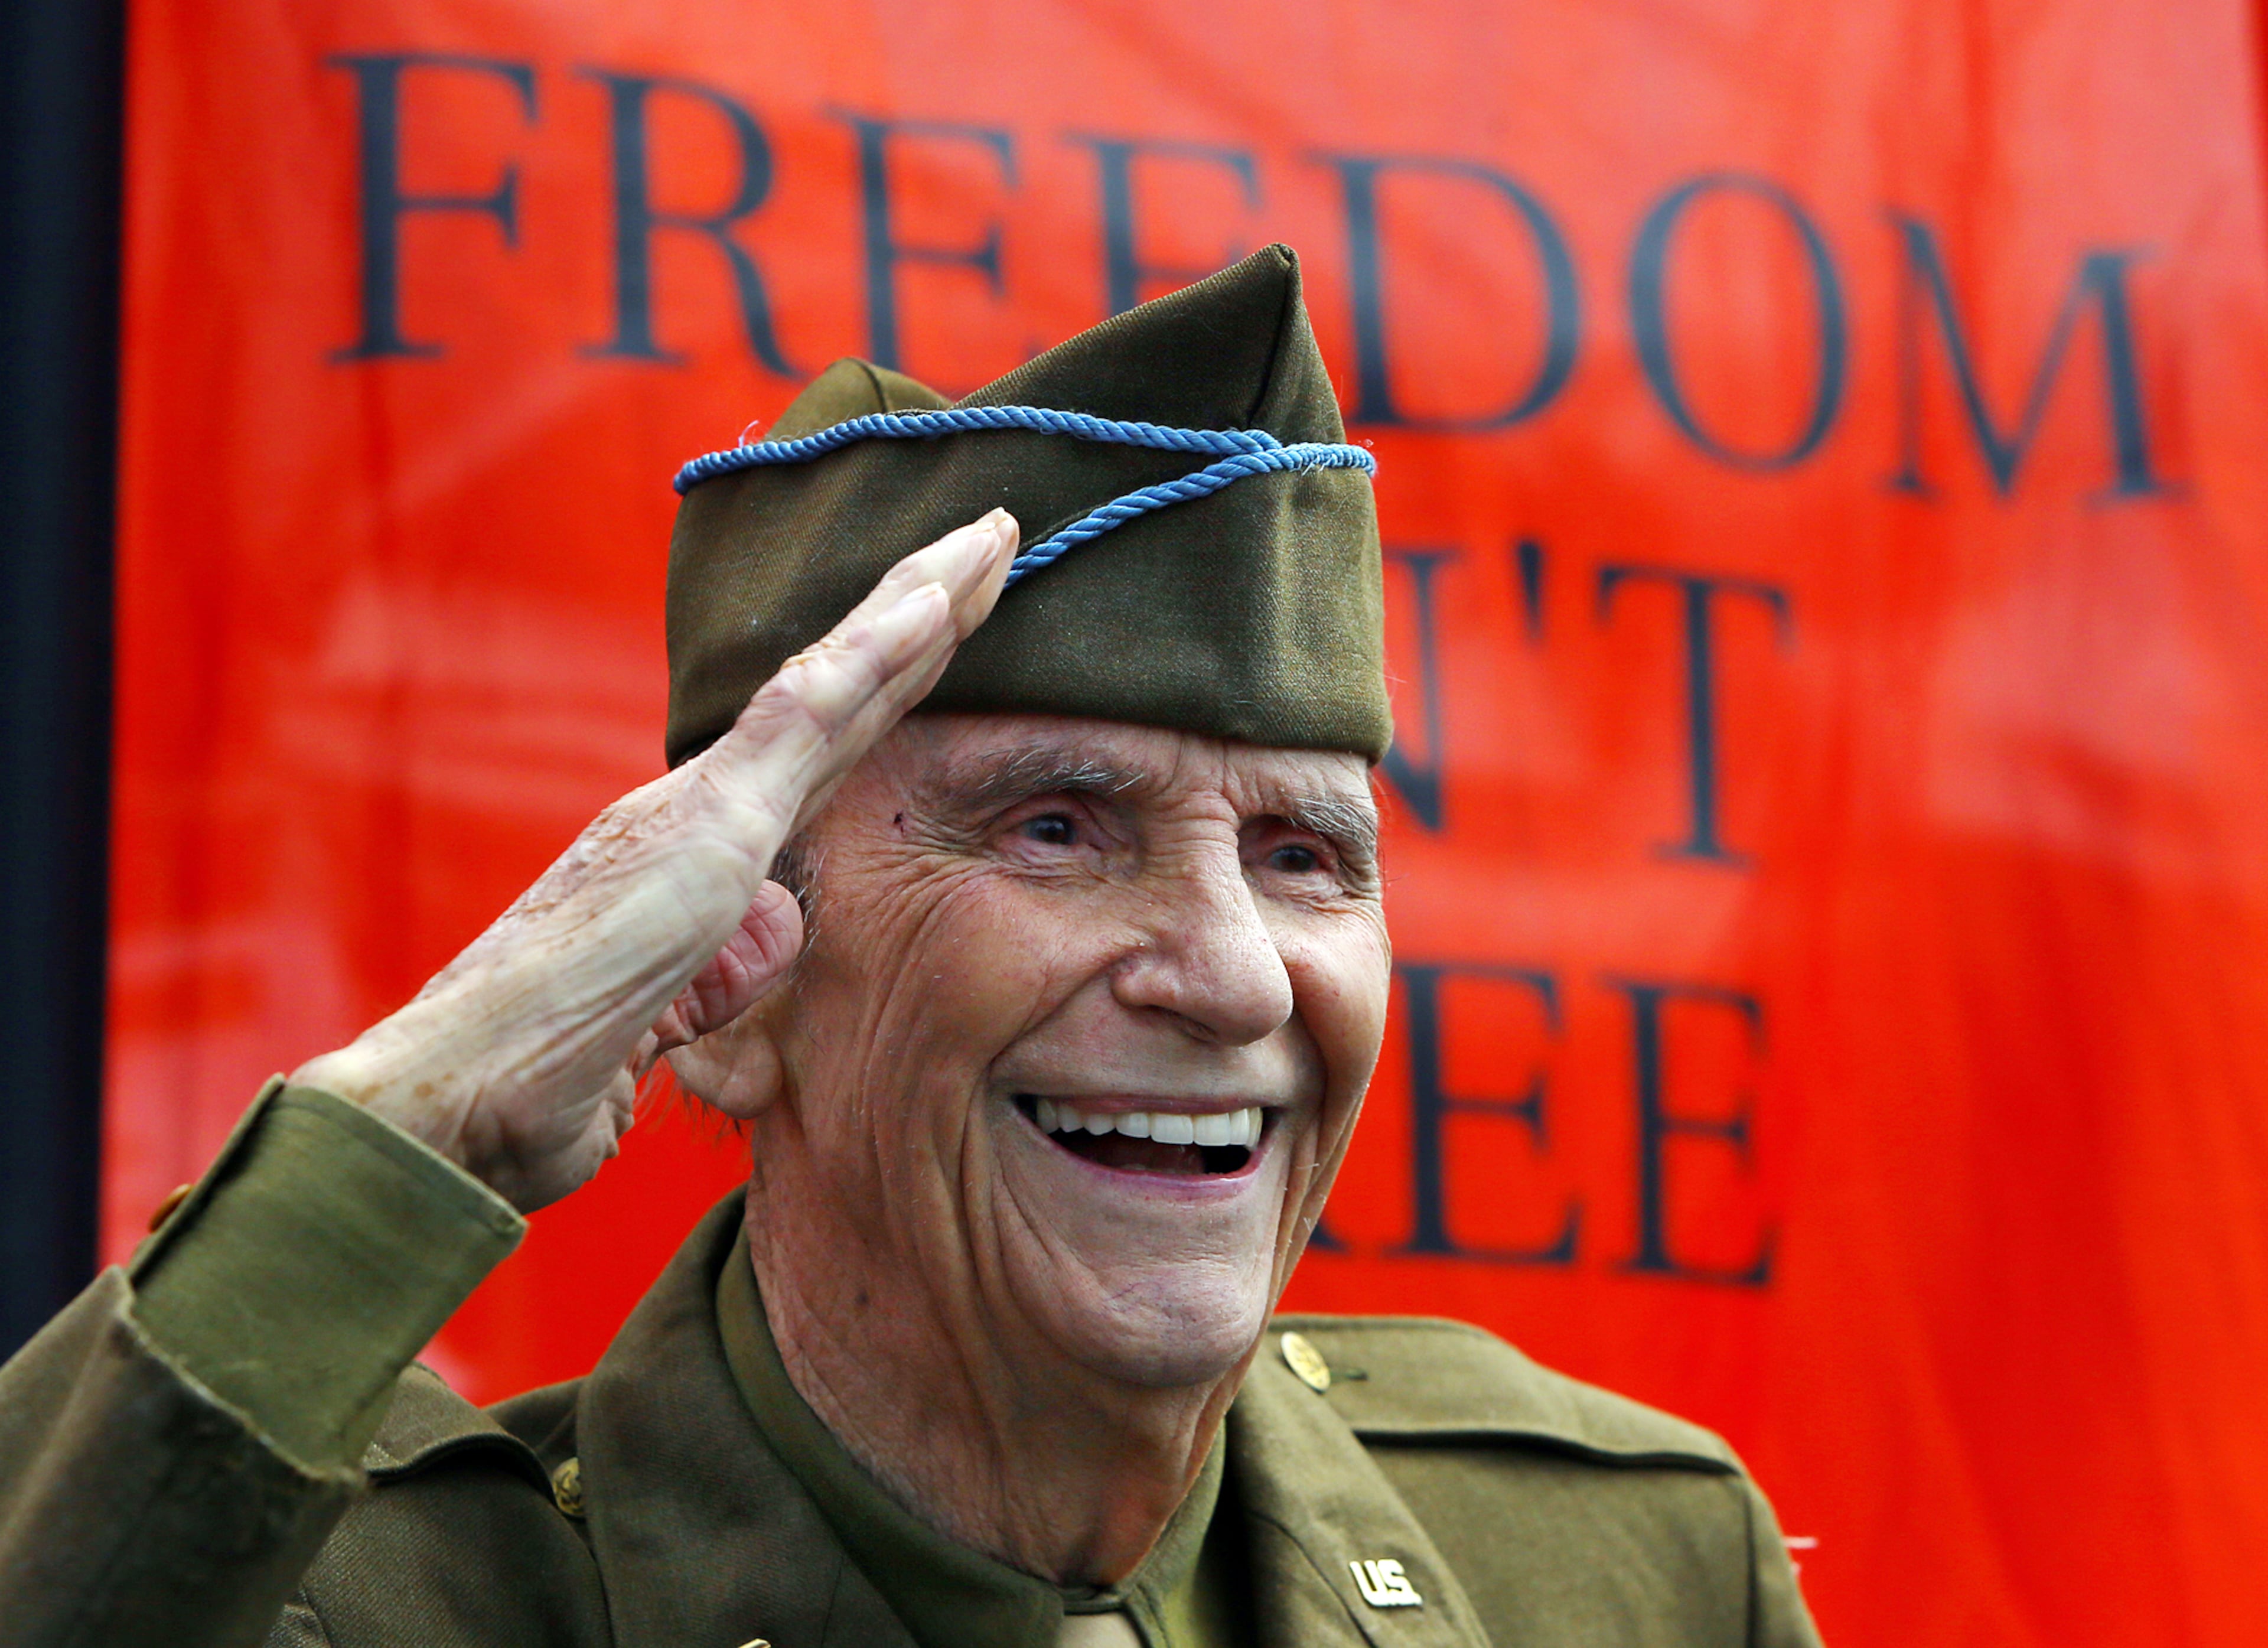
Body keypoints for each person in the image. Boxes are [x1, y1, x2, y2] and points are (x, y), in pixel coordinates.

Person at [0, 247, 1822, 1648]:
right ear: (732, 986)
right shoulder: (366, 1596)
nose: (1239, 974)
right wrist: (419, 1117)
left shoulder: (1626, 1568)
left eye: (1304, 857)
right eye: (1058, 829)